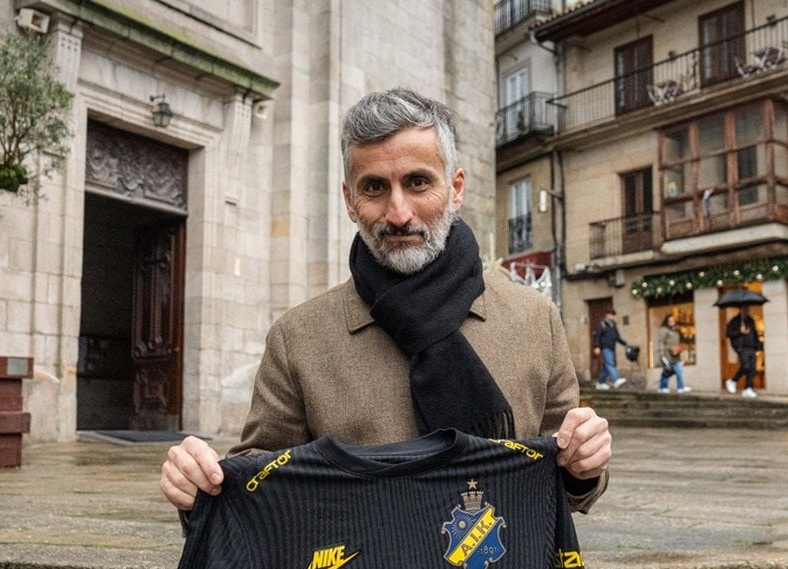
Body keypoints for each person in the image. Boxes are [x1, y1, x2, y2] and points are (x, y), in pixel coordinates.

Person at [160, 88, 612, 516]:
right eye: (374, 187)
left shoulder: (535, 319)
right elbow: (259, 481)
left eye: (418, 182)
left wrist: (584, 465)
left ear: (455, 189)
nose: (399, 213)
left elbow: (566, 476)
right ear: (349, 200)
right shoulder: (297, 338)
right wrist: (200, 486)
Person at [725, 308, 760, 398]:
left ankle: (748, 388)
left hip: (751, 347)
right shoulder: (734, 321)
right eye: (744, 310)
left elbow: (755, 333)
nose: (746, 311)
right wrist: (740, 332)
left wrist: (757, 346)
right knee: (746, 366)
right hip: (741, 347)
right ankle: (733, 381)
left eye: (747, 310)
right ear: (740, 310)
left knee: (752, 369)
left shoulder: (750, 320)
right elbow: (728, 333)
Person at [592, 309, 629, 390]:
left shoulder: (613, 325)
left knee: (606, 366)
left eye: (613, 315)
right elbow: (597, 336)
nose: (613, 316)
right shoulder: (602, 324)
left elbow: (617, 337)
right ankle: (616, 379)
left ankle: (600, 383)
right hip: (605, 347)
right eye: (611, 315)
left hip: (612, 347)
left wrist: (625, 344)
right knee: (610, 363)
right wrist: (596, 346)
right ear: (607, 315)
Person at [656, 313, 691, 394]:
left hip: (676, 355)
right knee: (667, 371)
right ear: (667, 321)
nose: (672, 321)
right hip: (667, 355)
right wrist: (662, 353)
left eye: (673, 320)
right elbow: (661, 342)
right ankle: (663, 387)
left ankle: (680, 387)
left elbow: (678, 341)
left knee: (679, 370)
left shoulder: (675, 330)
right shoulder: (664, 330)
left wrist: (679, 347)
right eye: (670, 320)